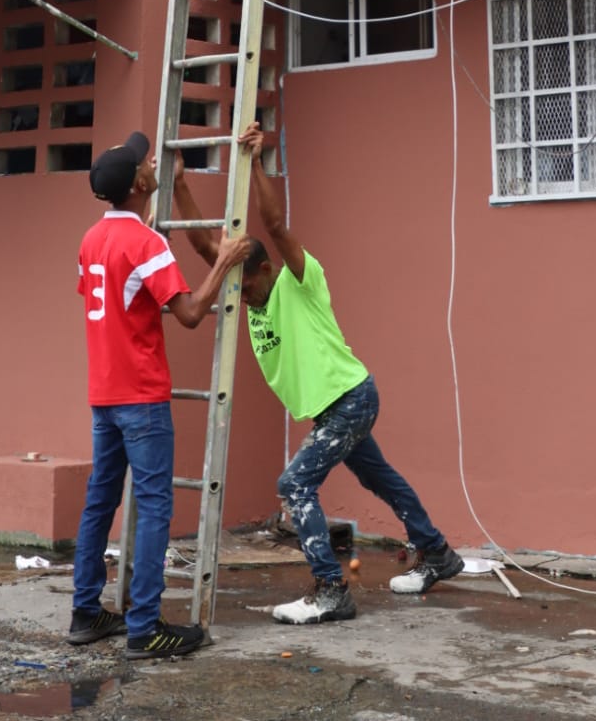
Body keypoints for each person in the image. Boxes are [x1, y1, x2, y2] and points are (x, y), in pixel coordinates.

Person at [174, 123, 465, 625]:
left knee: (294, 484)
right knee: (380, 478)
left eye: (246, 286)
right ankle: (437, 552)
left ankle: (332, 590)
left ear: (265, 271)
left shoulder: (299, 282)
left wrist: (258, 162)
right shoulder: (249, 294)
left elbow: (276, 225)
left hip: (350, 397)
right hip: (336, 407)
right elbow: (205, 248)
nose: (241, 297)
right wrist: (180, 183)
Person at [70, 131, 252, 659]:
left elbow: (115, 293)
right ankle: (145, 628)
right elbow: (190, 314)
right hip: (142, 396)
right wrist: (225, 260)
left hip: (104, 394)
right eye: (143, 163)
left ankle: (85, 613)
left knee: (100, 502)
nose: (151, 163)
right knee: (152, 507)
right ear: (137, 185)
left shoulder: (91, 240)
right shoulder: (147, 245)